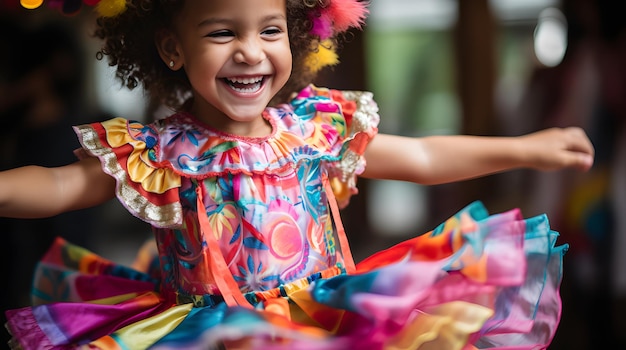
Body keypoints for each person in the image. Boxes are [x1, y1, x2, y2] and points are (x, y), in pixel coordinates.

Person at [1, 0, 594, 349]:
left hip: (326, 320)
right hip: (212, 333)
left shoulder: (314, 129)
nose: (250, 51)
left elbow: (422, 157)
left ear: (294, 33)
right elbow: (57, 186)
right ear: (172, 47)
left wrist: (525, 147)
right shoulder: (161, 151)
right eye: (221, 31)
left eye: (269, 29)